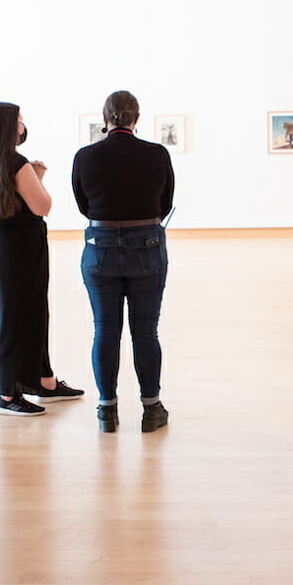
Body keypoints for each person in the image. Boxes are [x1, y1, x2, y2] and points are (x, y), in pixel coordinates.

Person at [0, 102, 84, 416]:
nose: (23, 125)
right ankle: (7, 394)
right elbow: (42, 206)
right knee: (17, 317)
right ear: (9, 126)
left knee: (30, 312)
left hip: (2, 244)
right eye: (19, 120)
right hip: (20, 247)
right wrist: (38, 176)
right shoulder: (17, 163)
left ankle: (42, 380)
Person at [71, 90, 175, 434]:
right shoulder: (157, 154)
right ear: (137, 118)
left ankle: (107, 411)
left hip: (99, 247)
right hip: (146, 244)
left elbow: (84, 206)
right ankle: (151, 409)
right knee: (145, 330)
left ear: (105, 118)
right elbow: (165, 201)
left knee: (105, 329)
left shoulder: (85, 156)